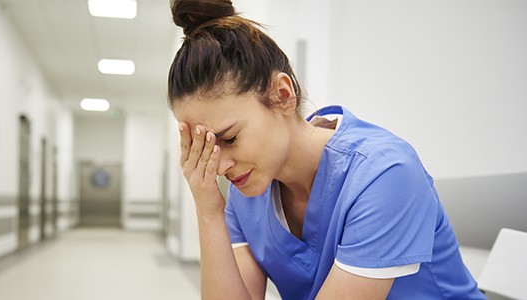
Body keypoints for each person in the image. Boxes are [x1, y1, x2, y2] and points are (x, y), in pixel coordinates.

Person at [167, 0, 486, 299]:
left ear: (282, 94)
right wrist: (208, 211)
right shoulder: (246, 195)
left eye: (230, 138)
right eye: (205, 147)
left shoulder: (384, 174)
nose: (220, 166)